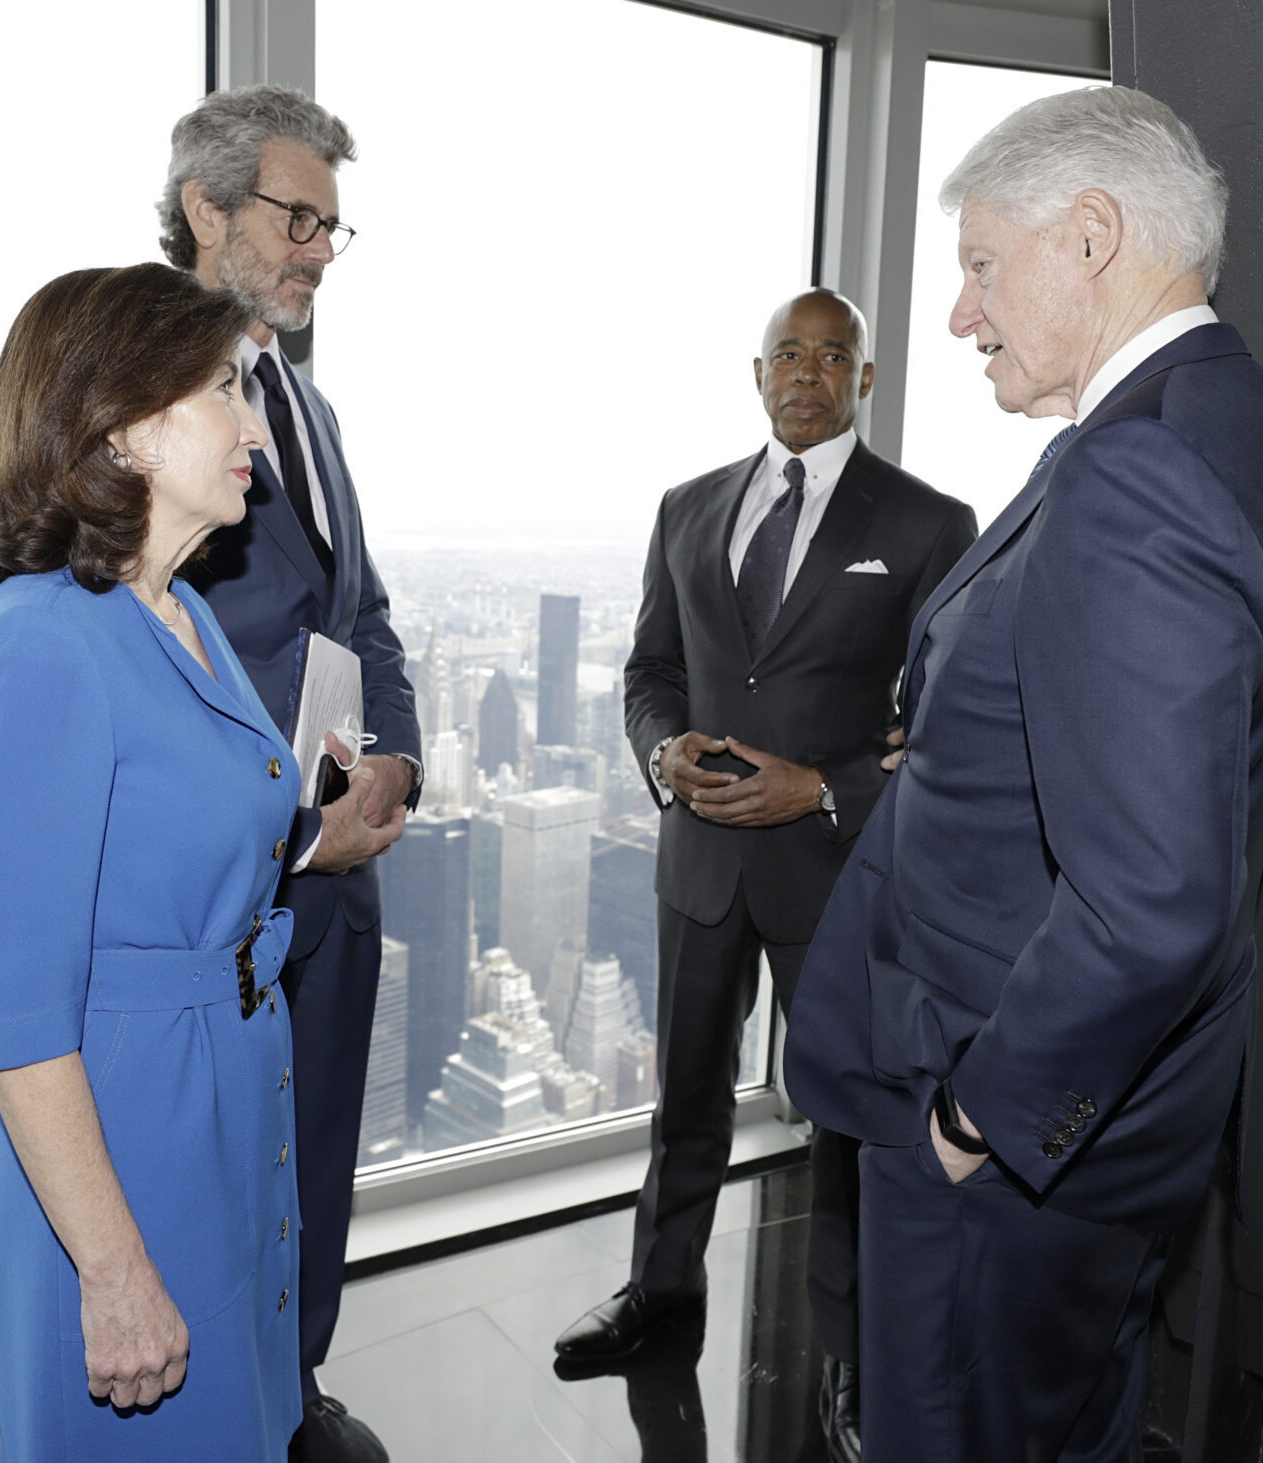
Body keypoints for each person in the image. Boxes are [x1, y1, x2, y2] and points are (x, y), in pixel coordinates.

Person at [785, 87, 1263, 1462]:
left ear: (1092, 235)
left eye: (980, 264)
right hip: (1112, 1131)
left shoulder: (1141, 465)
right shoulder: (1234, 423)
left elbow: (1154, 898)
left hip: (1013, 1135)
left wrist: (980, 1118)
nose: (963, 313)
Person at [555, 288, 977, 1461]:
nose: (806, 372)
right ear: (757, 373)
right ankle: (660, 1293)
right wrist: (661, 748)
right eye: (786, 354)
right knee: (684, 1094)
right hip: (698, 862)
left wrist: (825, 786)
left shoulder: (932, 522)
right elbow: (649, 669)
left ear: (865, 379)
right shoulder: (688, 508)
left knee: (846, 1116)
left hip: (835, 872)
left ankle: (851, 1349)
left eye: (830, 355)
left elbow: (948, 726)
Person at [0, 262, 339, 1459]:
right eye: (225, 387)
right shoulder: (40, 648)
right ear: (122, 425)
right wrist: (110, 1269)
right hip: (123, 1148)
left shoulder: (176, 607)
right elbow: (13, 1013)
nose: (257, 426)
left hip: (222, 1110)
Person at [157, 85, 421, 1463]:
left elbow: (359, 612)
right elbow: (149, 649)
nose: (321, 246)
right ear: (206, 212)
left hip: (335, 871)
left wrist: (398, 764)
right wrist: (284, 824)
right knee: (209, 1189)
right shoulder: (140, 392)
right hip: (226, 887)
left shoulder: (302, 406)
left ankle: (291, 1395)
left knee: (310, 1166)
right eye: (297, 215)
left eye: (334, 224)